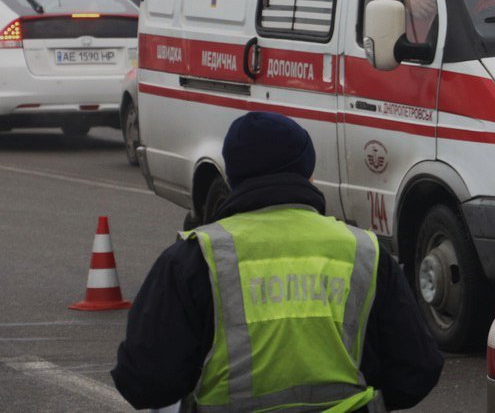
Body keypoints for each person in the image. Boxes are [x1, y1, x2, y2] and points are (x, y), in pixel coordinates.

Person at [111, 111, 443, 412]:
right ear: (308, 174)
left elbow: (143, 381)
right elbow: (418, 369)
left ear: (232, 178)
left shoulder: (196, 258)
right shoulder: (365, 252)